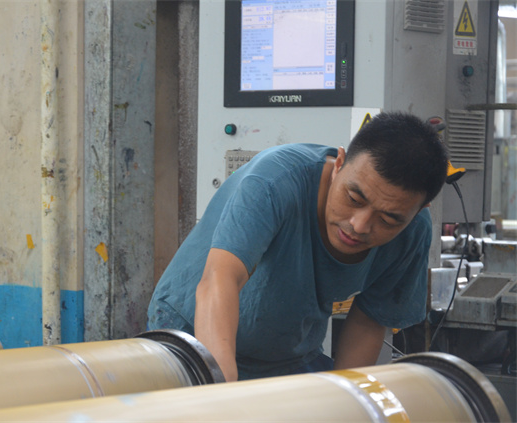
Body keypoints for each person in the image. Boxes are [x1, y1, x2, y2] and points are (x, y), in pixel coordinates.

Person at [148, 112, 449, 382]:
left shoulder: (413, 233)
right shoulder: (275, 181)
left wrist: (342, 402)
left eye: (387, 219)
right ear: (339, 164)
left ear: (420, 209)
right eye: (354, 199)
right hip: (192, 335)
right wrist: (220, 391)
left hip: (287, 354)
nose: (359, 225)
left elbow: (369, 321)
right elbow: (220, 279)